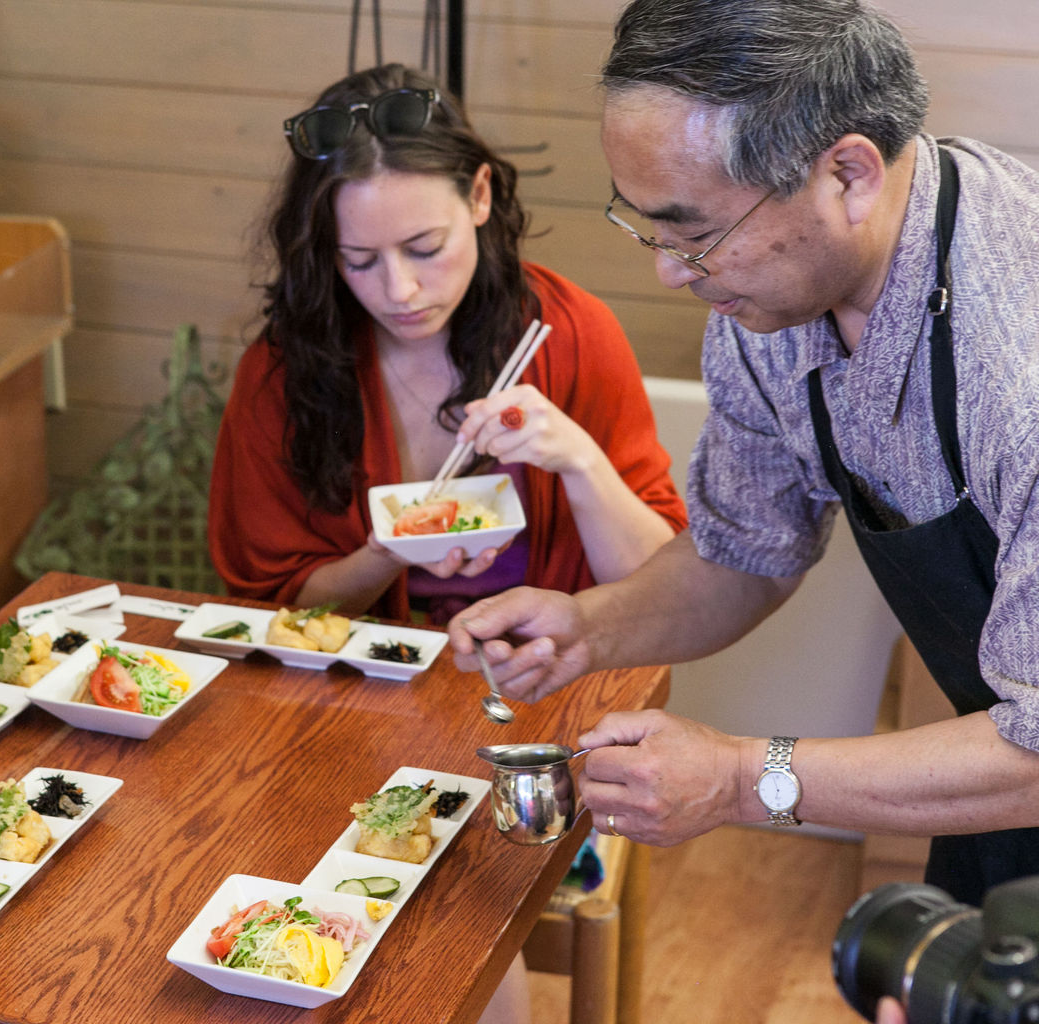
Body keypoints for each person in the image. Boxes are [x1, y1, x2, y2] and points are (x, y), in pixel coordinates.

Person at [450, 0, 1039, 929]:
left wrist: (738, 779)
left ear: (847, 171)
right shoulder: (774, 300)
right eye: (648, 229)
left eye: (696, 232)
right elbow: (745, 551)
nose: (672, 274)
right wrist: (588, 629)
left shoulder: (1019, 362)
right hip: (992, 778)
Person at [208, 64, 686, 626]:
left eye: (426, 248)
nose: (399, 291)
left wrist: (579, 462)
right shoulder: (286, 367)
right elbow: (273, 612)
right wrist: (385, 553)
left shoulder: (571, 333)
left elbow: (662, 591)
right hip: (364, 688)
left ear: (479, 196)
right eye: (358, 260)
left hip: (553, 676)